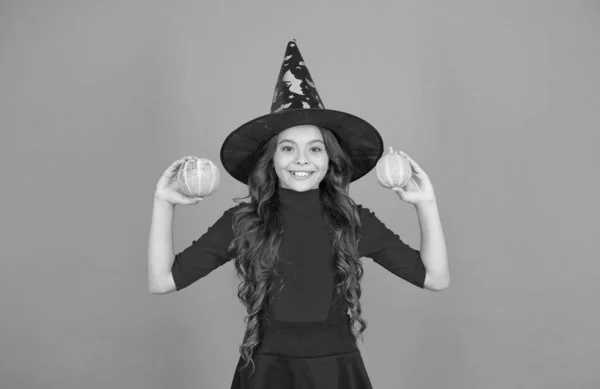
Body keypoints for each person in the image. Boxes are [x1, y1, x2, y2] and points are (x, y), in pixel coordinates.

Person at [148, 40, 449, 389]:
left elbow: (435, 278)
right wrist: (163, 202)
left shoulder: (354, 220)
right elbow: (161, 281)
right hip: (265, 373)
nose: (302, 160)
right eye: (288, 148)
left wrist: (425, 204)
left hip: (335, 373)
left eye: (315, 149)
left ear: (330, 160)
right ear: (271, 161)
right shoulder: (243, 222)